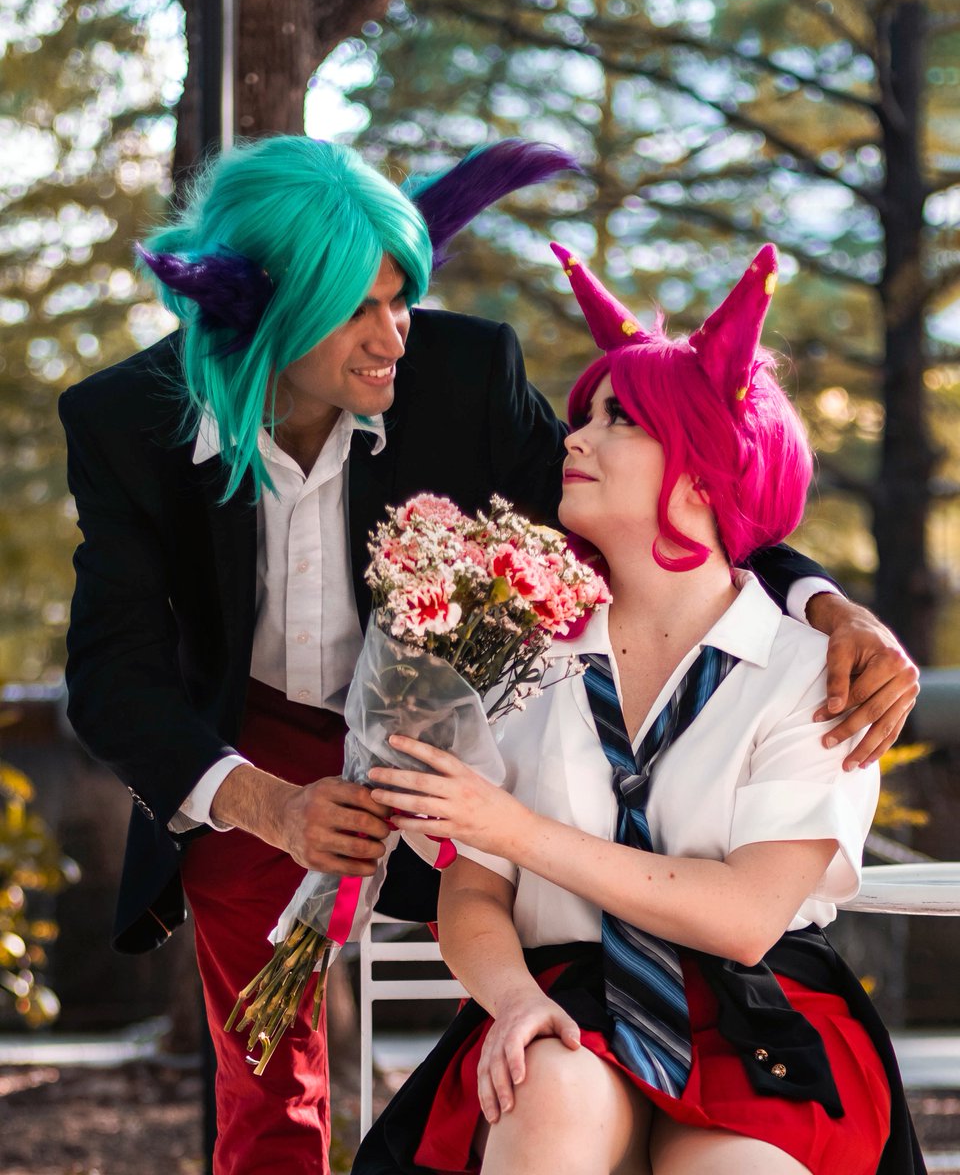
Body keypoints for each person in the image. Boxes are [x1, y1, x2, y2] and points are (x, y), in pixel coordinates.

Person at [59, 135, 915, 1174]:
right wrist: (268, 807)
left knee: (520, 962)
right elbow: (113, 673)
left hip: (464, 705)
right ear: (263, 315)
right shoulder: (122, 421)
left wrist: (827, 605)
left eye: (402, 299)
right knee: (265, 1059)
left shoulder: (465, 371)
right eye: (359, 309)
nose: (395, 336)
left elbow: (689, 494)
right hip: (250, 739)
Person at [354, 244, 924, 1174]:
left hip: (759, 1007)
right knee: (547, 1095)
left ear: (705, 469)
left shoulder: (815, 670)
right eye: (584, 416)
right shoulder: (510, 651)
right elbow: (473, 893)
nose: (573, 439)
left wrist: (515, 830)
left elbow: (745, 916)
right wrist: (514, 1000)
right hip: (560, 994)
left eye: (615, 420)